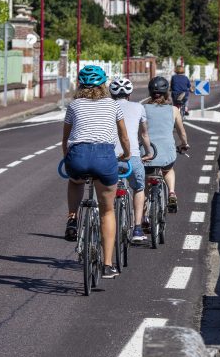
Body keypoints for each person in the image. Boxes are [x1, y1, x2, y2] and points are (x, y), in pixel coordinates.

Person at [62, 65, 132, 279]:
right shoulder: (113, 105)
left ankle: (72, 218)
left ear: (80, 85)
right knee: (107, 211)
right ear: (103, 85)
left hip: (78, 155)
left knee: (75, 181)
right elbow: (123, 136)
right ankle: (108, 264)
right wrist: (127, 155)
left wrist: (68, 159)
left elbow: (66, 139)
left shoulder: (74, 105)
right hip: (104, 157)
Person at [108, 76, 154, 245]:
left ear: (111, 94)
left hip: (109, 158)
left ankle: (106, 227)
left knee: (105, 191)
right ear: (130, 93)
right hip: (132, 157)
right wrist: (148, 152)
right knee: (139, 188)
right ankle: (137, 228)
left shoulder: (107, 107)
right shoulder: (139, 107)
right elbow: (144, 134)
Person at [142, 76, 189, 226]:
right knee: (168, 170)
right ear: (166, 93)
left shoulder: (142, 108)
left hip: (147, 151)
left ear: (150, 92)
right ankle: (172, 193)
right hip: (167, 151)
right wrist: (184, 144)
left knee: (145, 182)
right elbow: (181, 132)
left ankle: (144, 218)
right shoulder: (174, 110)